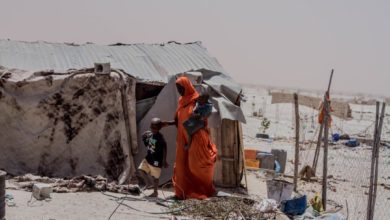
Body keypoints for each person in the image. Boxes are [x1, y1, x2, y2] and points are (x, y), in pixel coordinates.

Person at [164, 76, 217, 200]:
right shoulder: (182, 102)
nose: (179, 91)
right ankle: (181, 193)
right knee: (181, 166)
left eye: (181, 88)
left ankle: (201, 190)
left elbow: (198, 121)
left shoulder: (196, 101)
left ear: (187, 86)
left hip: (196, 137)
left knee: (196, 167)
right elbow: (180, 121)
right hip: (183, 139)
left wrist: (190, 140)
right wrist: (166, 123)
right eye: (177, 88)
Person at [138, 117, 169, 197]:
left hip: (156, 160)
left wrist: (164, 160)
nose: (153, 129)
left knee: (155, 177)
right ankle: (147, 183)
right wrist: (144, 139)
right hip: (148, 158)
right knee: (141, 170)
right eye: (152, 127)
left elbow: (164, 148)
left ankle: (155, 192)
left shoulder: (160, 138)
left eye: (155, 128)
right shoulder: (150, 134)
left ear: (159, 128)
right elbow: (148, 145)